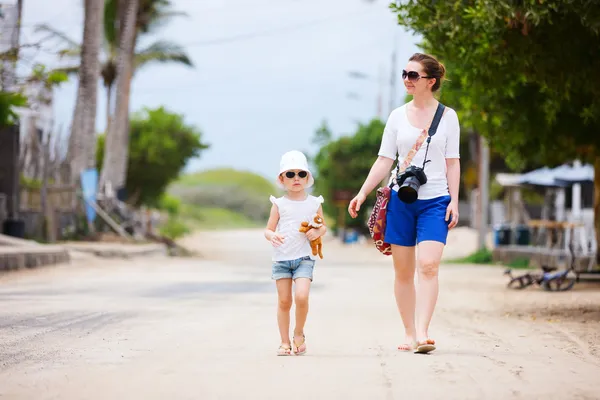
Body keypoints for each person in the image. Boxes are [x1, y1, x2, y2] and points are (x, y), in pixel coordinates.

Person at [348, 53, 460, 354]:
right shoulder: (397, 116)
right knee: (403, 271)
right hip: (400, 199)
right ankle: (409, 333)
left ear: (431, 81)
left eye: (414, 75)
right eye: (405, 74)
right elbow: (385, 160)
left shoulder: (448, 117)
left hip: (436, 200)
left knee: (429, 265)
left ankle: (423, 332)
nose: (407, 80)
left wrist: (455, 201)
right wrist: (362, 193)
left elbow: (452, 163)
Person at [264, 150, 326, 356]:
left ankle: (298, 333)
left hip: (304, 258)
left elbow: (323, 227)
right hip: (281, 259)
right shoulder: (278, 204)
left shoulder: (314, 203)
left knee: (301, 296)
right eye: (290, 174)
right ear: (282, 179)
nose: (296, 178)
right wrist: (272, 236)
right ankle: (284, 342)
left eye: (301, 174)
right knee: (284, 301)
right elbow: (268, 228)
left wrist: (317, 231)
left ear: (307, 178)